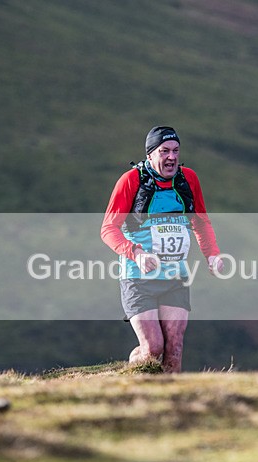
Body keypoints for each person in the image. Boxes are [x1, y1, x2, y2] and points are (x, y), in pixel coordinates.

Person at [101, 126, 223, 373]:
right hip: (138, 278)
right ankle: (132, 370)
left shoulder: (188, 179)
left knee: (174, 348)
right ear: (150, 155)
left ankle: (171, 402)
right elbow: (108, 229)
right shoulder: (131, 181)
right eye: (164, 151)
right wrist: (135, 252)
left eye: (176, 151)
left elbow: (200, 221)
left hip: (174, 276)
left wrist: (212, 254)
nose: (171, 157)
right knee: (153, 348)